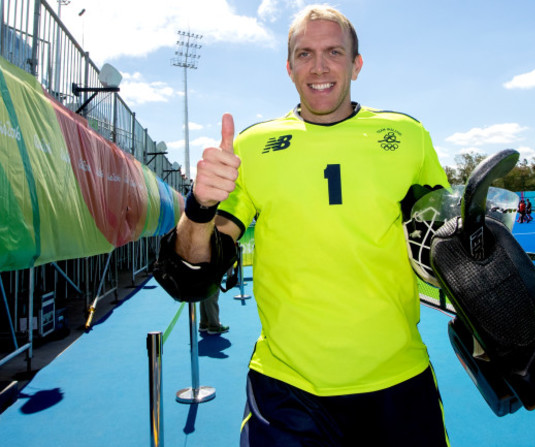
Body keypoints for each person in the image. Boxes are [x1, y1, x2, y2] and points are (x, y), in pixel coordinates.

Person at [163, 5, 450, 446]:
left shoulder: (407, 137)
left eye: (334, 52)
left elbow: (446, 246)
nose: (319, 66)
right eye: (304, 53)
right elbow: (192, 274)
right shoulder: (253, 146)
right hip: (286, 390)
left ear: (356, 64)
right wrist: (199, 207)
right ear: (289, 67)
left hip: (398, 381)